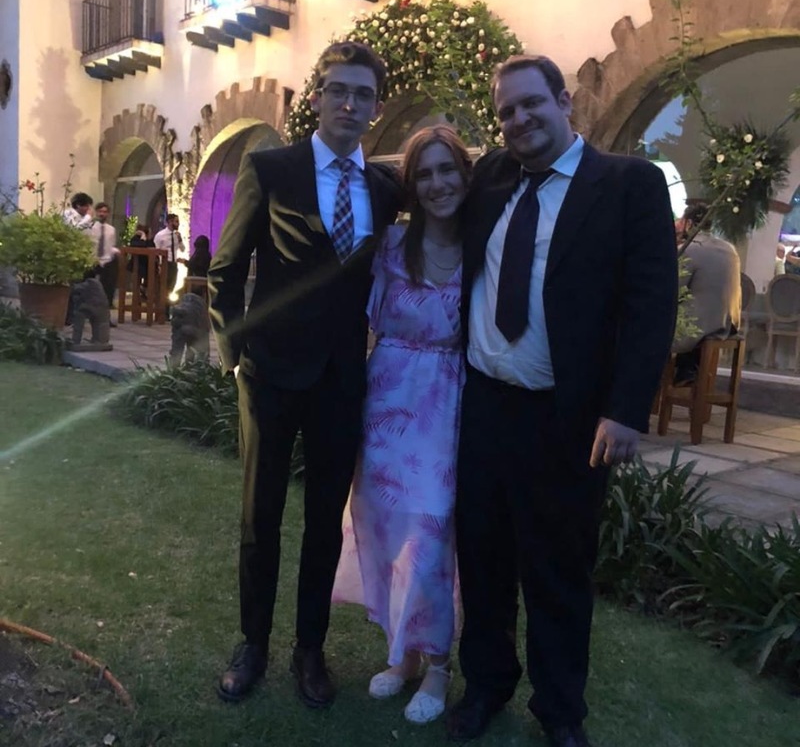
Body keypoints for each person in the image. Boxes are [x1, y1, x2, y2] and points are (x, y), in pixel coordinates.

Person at [446, 55, 678, 747]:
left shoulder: (628, 185)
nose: (519, 120)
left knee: (559, 571)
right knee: (482, 559)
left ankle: (560, 710)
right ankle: (486, 684)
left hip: (567, 417)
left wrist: (626, 409)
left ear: (564, 101)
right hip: (483, 406)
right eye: (506, 112)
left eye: (530, 104)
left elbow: (650, 304)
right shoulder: (492, 176)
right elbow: (423, 183)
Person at [208, 41, 403, 709]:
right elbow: (226, 267)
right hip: (268, 374)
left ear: (376, 108)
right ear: (317, 98)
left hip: (342, 379)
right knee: (259, 518)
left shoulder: (385, 189)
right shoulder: (270, 168)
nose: (350, 103)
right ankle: (252, 644)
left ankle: (309, 650)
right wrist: (233, 351)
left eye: (363, 94)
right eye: (339, 90)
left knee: (325, 522)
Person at [332, 125, 470, 724]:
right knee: (385, 527)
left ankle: (438, 664)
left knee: (432, 533)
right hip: (387, 398)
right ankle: (403, 654)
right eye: (425, 174)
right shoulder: (389, 244)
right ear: (412, 186)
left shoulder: (485, 245)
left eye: (447, 170)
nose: (437, 184)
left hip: (447, 402)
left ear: (464, 175)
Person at [672, 203, 741, 384]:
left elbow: (674, 291)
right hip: (727, 324)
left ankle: (662, 383)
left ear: (688, 223)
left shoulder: (690, 248)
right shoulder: (730, 249)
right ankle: (689, 370)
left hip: (698, 327)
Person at [89, 202, 119, 312]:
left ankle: (106, 307)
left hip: (107, 259)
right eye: (100, 211)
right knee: (89, 284)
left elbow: (111, 245)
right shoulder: (90, 227)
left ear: (108, 214)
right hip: (93, 259)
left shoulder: (111, 229)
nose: (102, 214)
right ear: (96, 212)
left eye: (105, 212)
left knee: (109, 284)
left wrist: (115, 251)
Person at [153, 213, 186, 296]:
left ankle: (167, 301)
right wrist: (159, 264)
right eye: (176, 221)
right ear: (170, 222)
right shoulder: (160, 235)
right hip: (165, 263)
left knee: (172, 284)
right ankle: (161, 302)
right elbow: (156, 249)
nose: (178, 224)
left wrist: (180, 239)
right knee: (163, 285)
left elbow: (183, 249)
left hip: (173, 263)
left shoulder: (177, 235)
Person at [128, 224, 155, 300]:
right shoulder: (135, 239)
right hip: (137, 264)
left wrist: (147, 239)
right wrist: (143, 237)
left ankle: (144, 293)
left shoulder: (149, 240)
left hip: (147, 265)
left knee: (148, 280)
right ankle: (136, 299)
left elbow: (152, 247)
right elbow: (140, 246)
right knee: (136, 282)